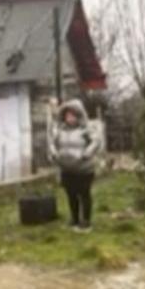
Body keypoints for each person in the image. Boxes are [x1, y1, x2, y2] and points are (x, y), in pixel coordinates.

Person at [50, 99, 103, 232]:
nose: (70, 118)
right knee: (71, 194)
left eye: (73, 115)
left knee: (84, 194)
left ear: (79, 115)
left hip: (84, 169)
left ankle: (86, 221)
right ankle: (74, 219)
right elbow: (53, 143)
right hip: (67, 169)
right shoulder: (60, 130)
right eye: (67, 115)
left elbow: (96, 142)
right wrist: (54, 155)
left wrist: (86, 154)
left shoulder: (86, 129)